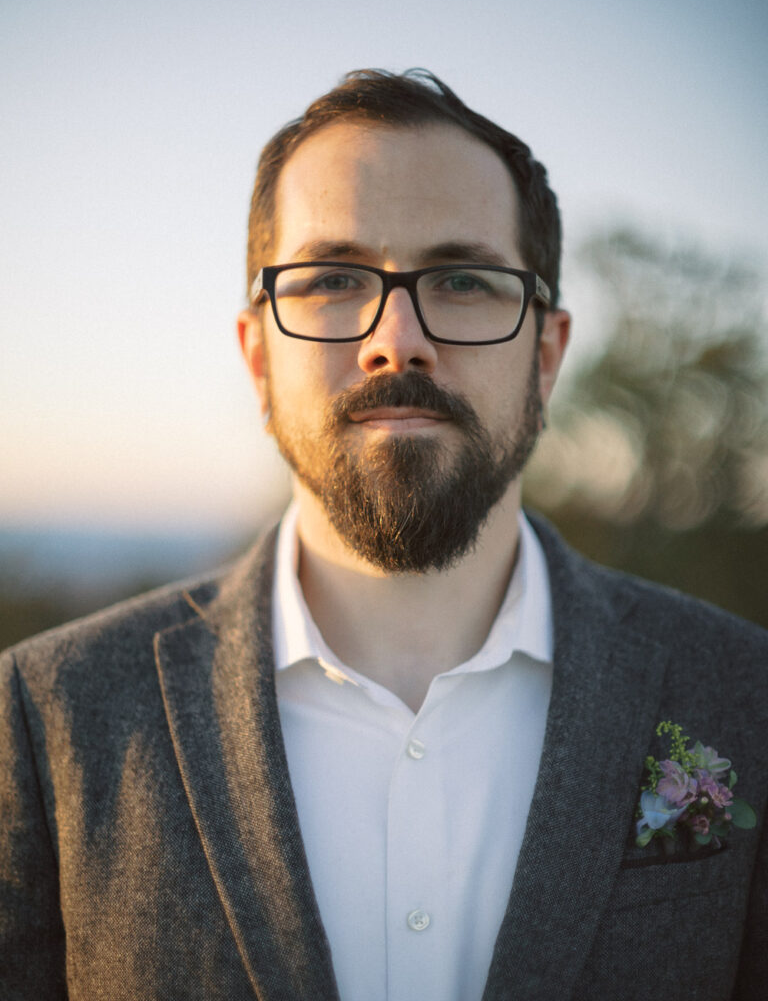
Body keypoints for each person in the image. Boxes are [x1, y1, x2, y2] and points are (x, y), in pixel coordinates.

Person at [1, 69, 766, 1001]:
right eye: (331, 279)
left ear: (548, 355)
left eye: (463, 280)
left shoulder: (744, 696)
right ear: (256, 357)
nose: (396, 340)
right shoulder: (44, 719)